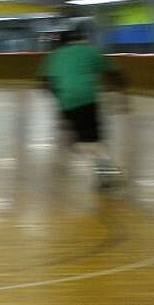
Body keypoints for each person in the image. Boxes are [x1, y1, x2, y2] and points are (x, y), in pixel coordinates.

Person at [40, 29, 128, 188]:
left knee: (78, 140)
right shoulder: (91, 51)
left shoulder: (55, 55)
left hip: (67, 100)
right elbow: (115, 74)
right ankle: (106, 171)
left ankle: (98, 161)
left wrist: (61, 107)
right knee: (93, 138)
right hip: (88, 99)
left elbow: (46, 83)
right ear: (81, 39)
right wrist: (122, 96)